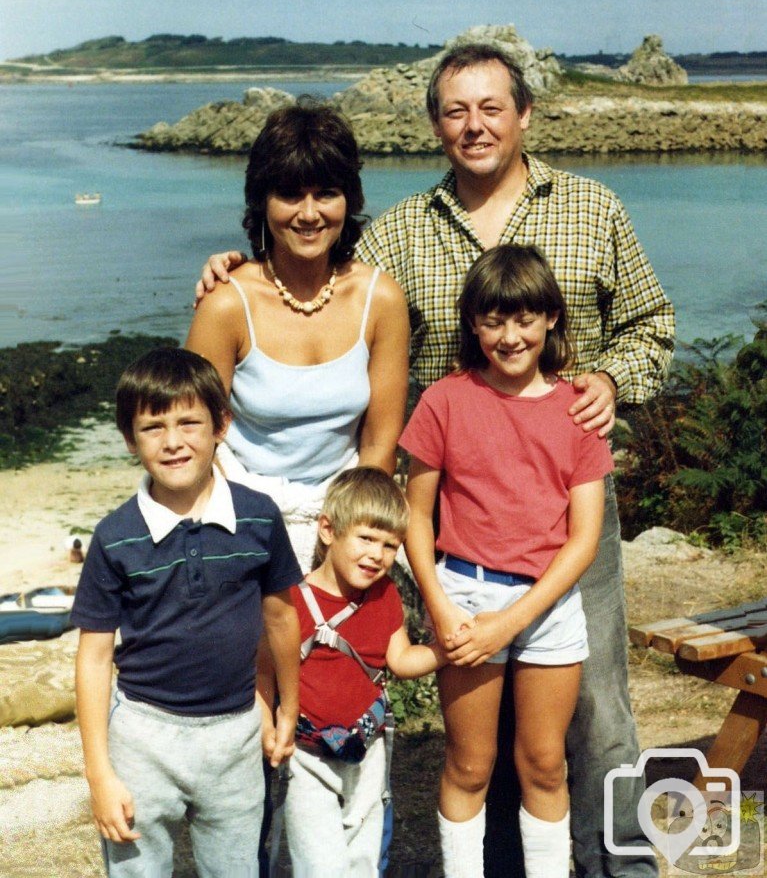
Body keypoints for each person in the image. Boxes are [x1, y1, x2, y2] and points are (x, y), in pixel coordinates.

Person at [195, 43, 675, 877]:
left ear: (525, 114)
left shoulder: (593, 208)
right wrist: (236, 264)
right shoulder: (403, 233)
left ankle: (620, 868)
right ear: (434, 126)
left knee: (595, 713)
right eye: (455, 111)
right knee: (475, 725)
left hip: (568, 513)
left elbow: (652, 324)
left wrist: (607, 377)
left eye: (492, 107)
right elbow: (322, 271)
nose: (475, 125)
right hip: (451, 525)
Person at [400, 244, 614, 877]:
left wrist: (511, 620)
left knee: (544, 763)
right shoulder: (444, 399)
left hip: (546, 608)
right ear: (473, 324)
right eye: (493, 320)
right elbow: (416, 516)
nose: (510, 336)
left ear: (551, 318)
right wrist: (440, 607)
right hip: (464, 598)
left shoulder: (579, 413)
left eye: (524, 319)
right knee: (469, 765)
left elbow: (582, 542)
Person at [72, 347, 303, 878]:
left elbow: (281, 619)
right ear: (131, 440)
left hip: (236, 733)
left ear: (221, 424)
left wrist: (285, 704)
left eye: (189, 422)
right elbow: (93, 659)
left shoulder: (259, 517)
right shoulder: (114, 537)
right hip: (142, 739)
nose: (173, 441)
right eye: (153, 427)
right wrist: (99, 774)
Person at [187, 100, 409, 575]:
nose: (309, 214)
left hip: (345, 516)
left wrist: (344, 542)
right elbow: (193, 433)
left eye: (325, 193)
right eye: (290, 195)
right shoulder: (227, 302)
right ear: (262, 201)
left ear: (348, 199)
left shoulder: (381, 299)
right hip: (235, 511)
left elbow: (378, 445)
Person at [265, 466, 445, 877]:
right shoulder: (292, 600)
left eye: (389, 545)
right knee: (321, 863)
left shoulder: (385, 596)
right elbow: (266, 672)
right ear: (328, 530)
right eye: (366, 538)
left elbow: (400, 661)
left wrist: (445, 651)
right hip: (307, 751)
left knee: (363, 856)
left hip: (367, 747)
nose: (376, 555)